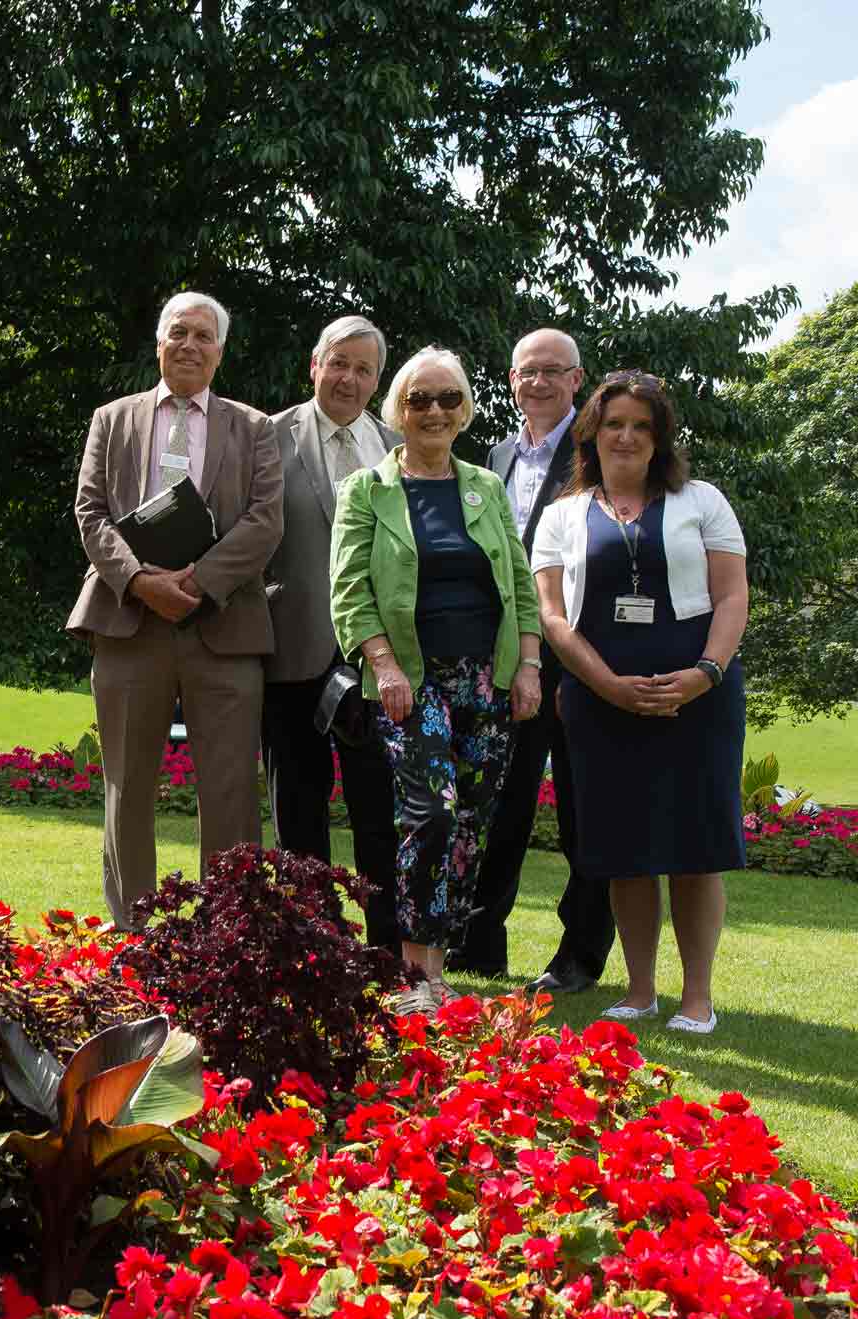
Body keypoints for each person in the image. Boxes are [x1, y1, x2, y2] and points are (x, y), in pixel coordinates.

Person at [530, 370, 749, 1035]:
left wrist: (705, 672)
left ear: (660, 438)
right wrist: (608, 686)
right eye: (614, 423)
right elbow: (553, 615)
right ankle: (640, 988)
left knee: (694, 845)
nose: (626, 436)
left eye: (641, 426)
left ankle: (698, 997)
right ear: (592, 433)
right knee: (625, 847)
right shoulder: (562, 514)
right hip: (602, 701)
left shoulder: (702, 500)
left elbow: (732, 594)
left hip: (698, 698)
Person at [330, 346, 542, 1013]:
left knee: (472, 821)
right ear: (397, 410)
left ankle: (436, 967)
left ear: (466, 410)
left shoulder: (485, 486)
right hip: (411, 679)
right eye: (420, 399)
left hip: (487, 678)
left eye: (449, 398)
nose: (434, 411)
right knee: (432, 812)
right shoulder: (368, 489)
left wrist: (529, 662)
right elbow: (349, 590)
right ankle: (412, 973)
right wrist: (384, 665)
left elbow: (518, 583)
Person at [66, 292, 281, 931]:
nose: (190, 345)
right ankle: (132, 929)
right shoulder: (112, 418)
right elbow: (90, 512)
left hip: (224, 627)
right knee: (128, 787)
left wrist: (199, 579)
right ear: (158, 344)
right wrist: (138, 581)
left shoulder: (253, 427)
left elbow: (266, 519)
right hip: (130, 623)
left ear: (221, 351)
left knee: (230, 792)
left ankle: (227, 935)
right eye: (178, 333)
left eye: (204, 336)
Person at [464, 327, 613, 992]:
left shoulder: (602, 451)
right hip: (505, 661)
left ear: (577, 380)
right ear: (511, 379)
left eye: (554, 372)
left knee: (586, 813)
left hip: (577, 658)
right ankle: (478, 946)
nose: (539, 383)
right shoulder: (495, 455)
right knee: (497, 808)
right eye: (527, 372)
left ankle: (579, 956)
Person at [262, 316, 401, 948]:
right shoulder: (264, 437)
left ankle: (385, 946)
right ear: (313, 365)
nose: (349, 377)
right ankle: (314, 943)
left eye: (363, 368)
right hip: (291, 653)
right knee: (299, 810)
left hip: (379, 665)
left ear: (377, 380)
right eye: (338, 362)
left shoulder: (399, 448)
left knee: (381, 811)